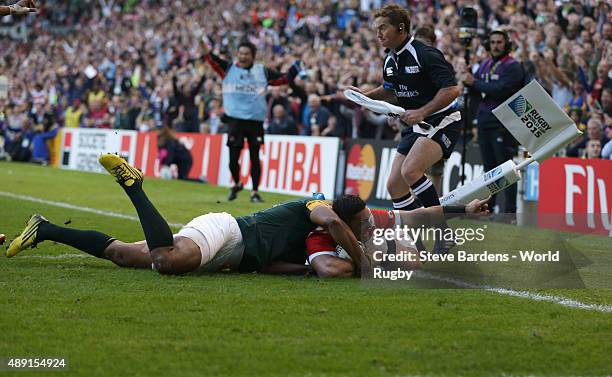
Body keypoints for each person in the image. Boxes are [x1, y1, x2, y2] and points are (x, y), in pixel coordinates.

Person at [6, 154, 366, 276]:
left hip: (230, 257)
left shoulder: (310, 241)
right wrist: (363, 262)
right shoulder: (320, 208)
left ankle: (46, 228)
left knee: (121, 255)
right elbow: (334, 223)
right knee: (166, 260)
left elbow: (268, 264)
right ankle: (134, 186)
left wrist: (302, 270)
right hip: (226, 231)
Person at [347, 4, 461, 254]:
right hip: (415, 126)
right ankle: (416, 241)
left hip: (443, 120)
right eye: (376, 29)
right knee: (394, 185)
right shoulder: (390, 59)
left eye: (382, 28)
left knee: (411, 170)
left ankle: (444, 233)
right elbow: (390, 90)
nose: (378, 34)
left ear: (401, 28)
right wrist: (364, 96)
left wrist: (423, 111)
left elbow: (453, 89)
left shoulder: (425, 53)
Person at [202, 39, 302, 202]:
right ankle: (237, 183)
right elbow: (209, 57)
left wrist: (297, 66)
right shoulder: (228, 69)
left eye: (246, 54)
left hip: (255, 122)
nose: (243, 56)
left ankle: (254, 192)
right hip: (235, 121)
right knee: (233, 159)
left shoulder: (262, 71)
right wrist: (201, 42)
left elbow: (283, 79)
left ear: (253, 56)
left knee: (255, 157)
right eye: (241, 53)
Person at [305, 195, 491, 278]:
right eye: (363, 222)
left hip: (389, 245)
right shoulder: (320, 237)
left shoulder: (371, 218)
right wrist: (362, 260)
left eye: (369, 217)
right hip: (369, 254)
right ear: (346, 224)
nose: (370, 223)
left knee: (413, 263)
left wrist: (464, 209)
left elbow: (419, 215)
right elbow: (330, 271)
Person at [462, 29, 525, 214]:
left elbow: (500, 90)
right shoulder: (485, 64)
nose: (496, 46)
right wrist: (466, 83)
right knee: (489, 169)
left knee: (506, 168)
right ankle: (488, 208)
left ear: (506, 44)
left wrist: (473, 82)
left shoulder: (513, 66)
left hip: (503, 123)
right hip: (484, 120)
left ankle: (510, 212)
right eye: (493, 42)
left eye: (499, 42)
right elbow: (478, 89)